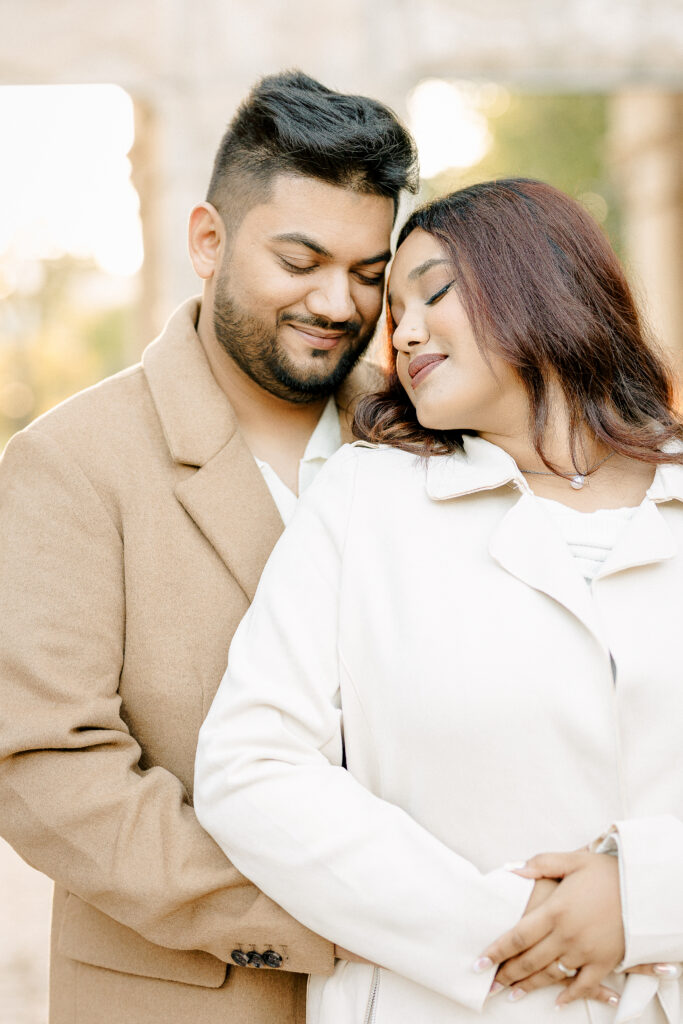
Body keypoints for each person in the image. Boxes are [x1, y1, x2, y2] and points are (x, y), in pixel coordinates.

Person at [194, 178, 683, 1024]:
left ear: (541, 281)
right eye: (394, 312)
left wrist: (649, 896)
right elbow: (251, 767)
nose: (403, 331)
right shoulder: (365, 502)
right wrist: (501, 930)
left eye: (434, 292)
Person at [0, 70, 418, 1024]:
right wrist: (325, 918)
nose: (338, 303)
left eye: (366, 272)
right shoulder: (68, 462)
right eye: (300, 260)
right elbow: (47, 770)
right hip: (191, 997)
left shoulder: (422, 445)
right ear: (207, 240)